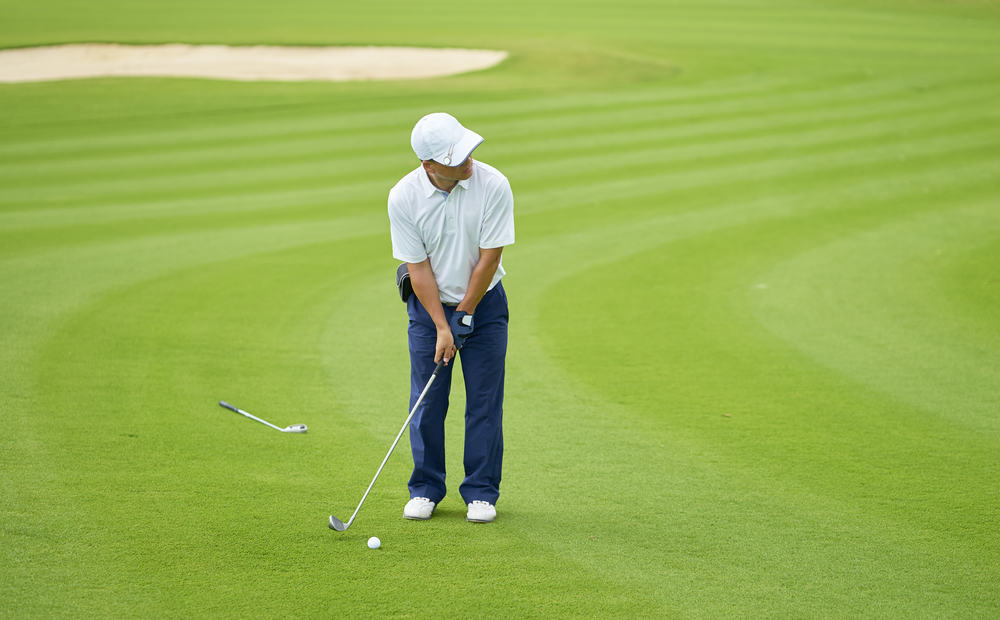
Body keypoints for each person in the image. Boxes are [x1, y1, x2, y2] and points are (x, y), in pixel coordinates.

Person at [387, 112, 514, 523]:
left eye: (468, 149)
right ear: (429, 166)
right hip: (429, 310)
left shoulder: (493, 183)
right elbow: (417, 267)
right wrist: (442, 325)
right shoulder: (403, 196)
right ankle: (425, 488)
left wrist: (465, 314)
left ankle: (480, 491)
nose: (469, 159)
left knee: (483, 400)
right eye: (456, 157)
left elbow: (490, 256)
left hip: (486, 303)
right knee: (427, 400)